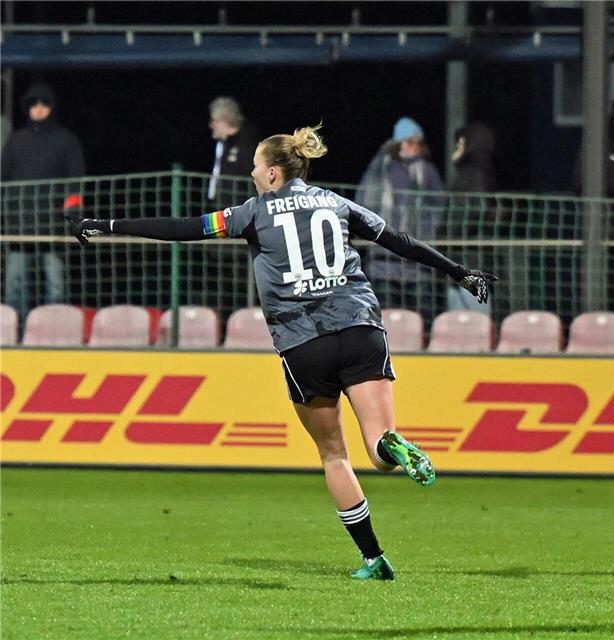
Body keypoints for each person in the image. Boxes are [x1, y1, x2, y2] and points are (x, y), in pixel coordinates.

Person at [69, 125, 497, 581]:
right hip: (358, 327)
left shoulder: (251, 212)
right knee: (376, 448)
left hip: (302, 342)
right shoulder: (336, 203)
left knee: (334, 454)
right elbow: (399, 241)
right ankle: (391, 444)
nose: (251, 173)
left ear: (273, 173)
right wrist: (460, 271)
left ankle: (374, 559)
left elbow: (182, 229)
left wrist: (107, 225)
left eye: (255, 166)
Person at [0, 83, 86, 326]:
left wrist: (72, 213)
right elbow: (2, 177)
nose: (38, 109)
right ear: (27, 109)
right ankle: (17, 332)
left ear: (51, 108)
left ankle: (54, 331)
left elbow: (75, 179)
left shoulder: (66, 140)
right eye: (33, 105)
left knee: (55, 283)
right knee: (15, 284)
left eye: (43, 104)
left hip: (53, 225)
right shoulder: (16, 141)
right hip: (19, 226)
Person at [357, 117, 446, 317]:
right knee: (384, 314)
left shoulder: (428, 171)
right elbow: (365, 201)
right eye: (409, 141)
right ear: (399, 143)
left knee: (424, 314)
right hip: (383, 259)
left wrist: (425, 234)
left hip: (418, 258)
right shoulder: (380, 169)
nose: (414, 147)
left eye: (417, 142)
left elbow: (439, 207)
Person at [448, 122, 497, 313]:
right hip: (468, 250)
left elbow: (475, 210)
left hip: (469, 251)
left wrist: (450, 229)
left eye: (460, 142)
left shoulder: (474, 171)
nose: (457, 147)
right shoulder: (476, 170)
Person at [206, 97, 260, 208]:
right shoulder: (223, 142)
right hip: (221, 206)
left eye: (214, 120)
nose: (211, 125)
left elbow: (250, 173)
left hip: (240, 209)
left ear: (224, 120)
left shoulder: (248, 141)